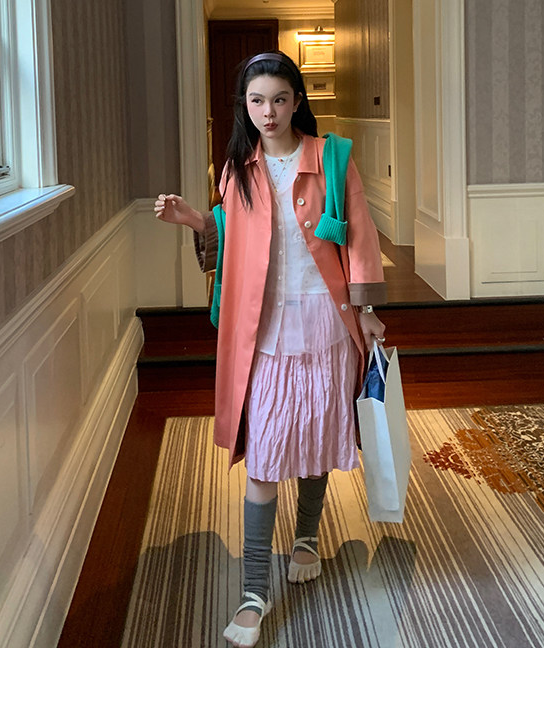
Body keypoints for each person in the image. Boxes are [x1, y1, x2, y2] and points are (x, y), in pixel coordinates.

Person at [155, 50, 386, 647]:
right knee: (264, 456)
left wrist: (367, 311)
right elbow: (227, 239)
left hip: (326, 324)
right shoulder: (237, 170)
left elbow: (360, 235)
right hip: (265, 332)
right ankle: (254, 591)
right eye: (257, 100)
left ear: (296, 101)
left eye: (279, 99)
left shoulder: (332, 158)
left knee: (316, 436)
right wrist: (195, 221)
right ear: (245, 106)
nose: (269, 111)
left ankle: (306, 536)